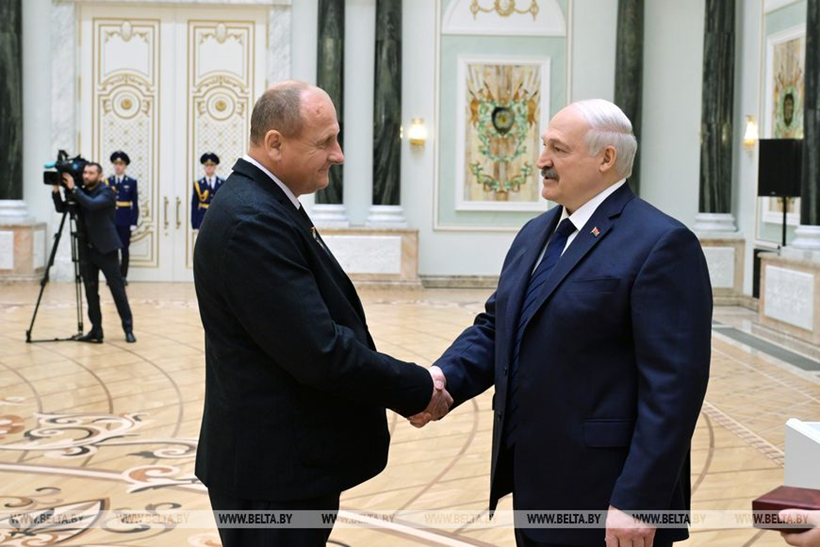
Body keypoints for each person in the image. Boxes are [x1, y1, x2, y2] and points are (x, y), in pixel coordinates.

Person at [413, 99, 713, 546]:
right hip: (536, 487)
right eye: (544, 146)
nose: (541, 160)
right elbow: (498, 327)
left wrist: (640, 500)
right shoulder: (536, 233)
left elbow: (674, 389)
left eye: (558, 149)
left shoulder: (662, 243)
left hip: (610, 500)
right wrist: (440, 379)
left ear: (606, 158)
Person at [193, 80, 452, 547]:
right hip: (271, 476)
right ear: (275, 143)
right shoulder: (252, 219)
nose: (339, 154)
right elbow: (321, 351)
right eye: (325, 142)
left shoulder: (265, 204)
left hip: (283, 464)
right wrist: (416, 387)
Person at [52, 163, 137, 344]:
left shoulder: (107, 192)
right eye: (85, 172)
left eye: (91, 173)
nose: (86, 176)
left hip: (106, 249)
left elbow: (92, 205)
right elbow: (62, 208)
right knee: (91, 292)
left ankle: (128, 329)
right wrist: (56, 189)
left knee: (117, 290)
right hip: (86, 250)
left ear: (100, 175)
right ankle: (96, 330)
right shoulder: (80, 192)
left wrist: (74, 188)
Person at [106, 151, 139, 284]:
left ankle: (123, 276)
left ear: (125, 166)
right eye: (116, 164)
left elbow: (134, 203)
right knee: (112, 250)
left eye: (121, 164)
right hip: (111, 220)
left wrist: (133, 222)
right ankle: (112, 277)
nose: (118, 166)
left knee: (124, 250)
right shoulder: (108, 181)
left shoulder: (131, 182)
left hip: (125, 221)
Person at [191, 152, 224, 231]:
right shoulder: (198, 184)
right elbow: (194, 204)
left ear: (215, 167)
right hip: (202, 218)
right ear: (204, 167)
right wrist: (194, 222)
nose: (209, 167)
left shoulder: (222, 183)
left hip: (218, 217)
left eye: (211, 165)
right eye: (207, 165)